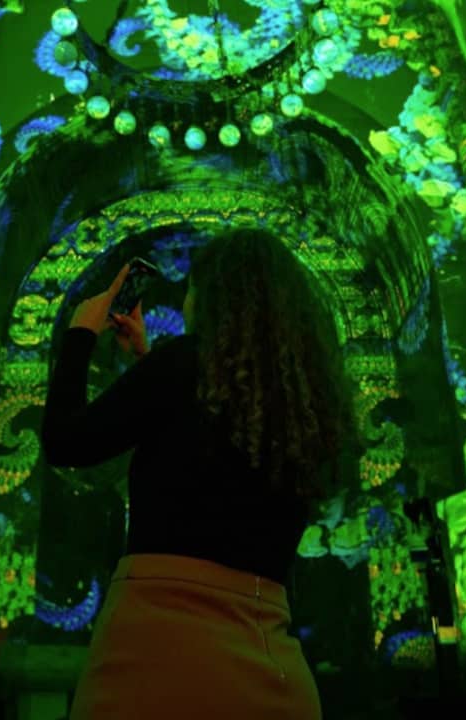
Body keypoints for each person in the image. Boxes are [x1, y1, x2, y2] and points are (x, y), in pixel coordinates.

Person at [41, 227, 361, 719]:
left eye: (192, 290)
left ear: (212, 299)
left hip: (151, 656)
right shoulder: (305, 401)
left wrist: (81, 334)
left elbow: (66, 442)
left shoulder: (179, 366)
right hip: (272, 674)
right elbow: (211, 443)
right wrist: (147, 365)